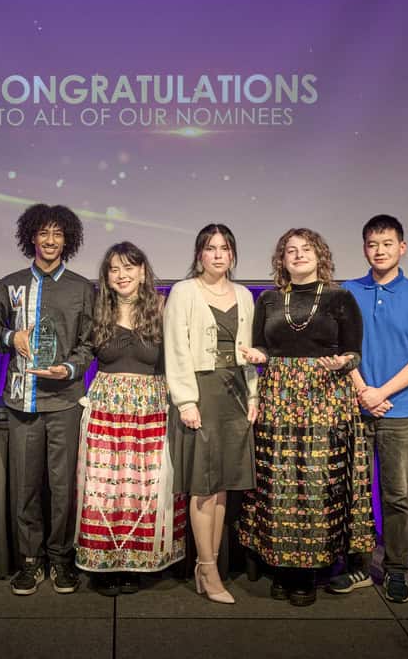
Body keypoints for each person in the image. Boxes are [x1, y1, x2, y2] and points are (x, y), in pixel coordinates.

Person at [238, 228, 370, 607]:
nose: (298, 255)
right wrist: (260, 356)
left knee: (316, 486)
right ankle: (281, 566)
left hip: (325, 397)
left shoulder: (341, 298)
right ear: (282, 260)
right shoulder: (267, 299)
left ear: (320, 255)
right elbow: (263, 345)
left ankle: (308, 572)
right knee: (277, 484)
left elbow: (354, 353)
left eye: (305, 249)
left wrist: (344, 362)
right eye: (290, 251)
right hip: (278, 395)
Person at [0, 204, 95, 596]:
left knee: (63, 487)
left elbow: (89, 344)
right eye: (43, 233)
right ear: (31, 236)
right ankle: (30, 562)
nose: (50, 241)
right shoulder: (10, 284)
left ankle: (62, 559)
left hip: (64, 401)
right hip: (21, 403)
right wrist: (9, 338)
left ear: (68, 240)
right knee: (26, 486)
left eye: (58, 234)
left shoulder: (83, 288)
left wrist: (68, 369)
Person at [334, 215, 408, 603]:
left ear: (402, 248)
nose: (380, 250)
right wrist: (363, 392)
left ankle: (396, 570)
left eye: (388, 243)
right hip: (355, 408)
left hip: (401, 409)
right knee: (354, 494)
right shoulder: (347, 291)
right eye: (373, 244)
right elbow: (341, 350)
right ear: (365, 248)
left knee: (396, 495)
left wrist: (382, 393)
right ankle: (357, 566)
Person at [74, 242, 186, 596]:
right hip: (107, 409)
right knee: (105, 489)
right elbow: (80, 353)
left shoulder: (163, 308)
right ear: (106, 277)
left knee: (144, 489)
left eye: (129, 268)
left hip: (151, 409)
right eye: (114, 269)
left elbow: (180, 357)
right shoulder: (97, 310)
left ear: (142, 271)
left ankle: (137, 562)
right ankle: (105, 565)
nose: (122, 275)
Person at [165, 223, 258, 605]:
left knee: (222, 487)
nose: (218, 254)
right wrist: (186, 401)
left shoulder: (245, 295)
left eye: (224, 248)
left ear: (232, 254)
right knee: (203, 486)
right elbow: (176, 349)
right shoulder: (184, 292)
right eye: (210, 248)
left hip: (235, 395)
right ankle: (206, 567)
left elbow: (249, 350)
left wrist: (253, 394)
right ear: (199, 254)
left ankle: (212, 563)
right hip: (200, 394)